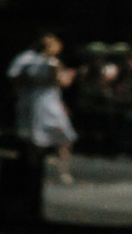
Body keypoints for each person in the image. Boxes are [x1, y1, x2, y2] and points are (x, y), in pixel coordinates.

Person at [8, 31, 80, 186]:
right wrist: (71, 74)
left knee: (38, 139)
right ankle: (56, 173)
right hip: (45, 102)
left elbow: (14, 78)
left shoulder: (29, 59)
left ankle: (37, 173)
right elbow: (61, 82)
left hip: (38, 101)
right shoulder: (46, 61)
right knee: (56, 138)